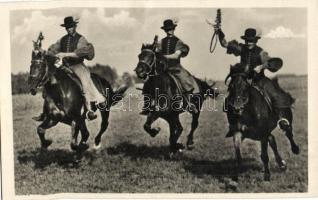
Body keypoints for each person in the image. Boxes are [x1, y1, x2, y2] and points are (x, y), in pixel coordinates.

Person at [216, 27, 295, 127]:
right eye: (246, 40)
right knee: (231, 95)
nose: (248, 43)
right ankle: (233, 122)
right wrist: (219, 32)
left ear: (255, 40)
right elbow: (225, 44)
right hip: (244, 80)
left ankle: (281, 118)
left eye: (251, 41)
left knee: (275, 94)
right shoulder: (242, 48)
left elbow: (273, 62)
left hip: (260, 80)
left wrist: (262, 66)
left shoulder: (261, 52)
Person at [33, 16, 106, 121]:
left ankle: (89, 110)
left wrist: (64, 54)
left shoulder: (81, 39)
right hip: (64, 65)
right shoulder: (62, 39)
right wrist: (41, 50)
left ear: (74, 26)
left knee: (84, 83)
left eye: (70, 27)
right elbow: (52, 51)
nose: (68, 29)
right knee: (49, 79)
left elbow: (80, 53)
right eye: (67, 27)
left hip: (78, 66)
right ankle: (46, 112)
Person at [140, 19, 200, 115]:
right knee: (149, 81)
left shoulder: (179, 42)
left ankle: (189, 103)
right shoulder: (160, 42)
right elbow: (155, 53)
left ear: (173, 29)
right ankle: (147, 105)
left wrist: (163, 56)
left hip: (175, 68)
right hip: (163, 68)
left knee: (186, 80)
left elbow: (176, 55)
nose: (169, 31)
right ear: (165, 30)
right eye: (167, 29)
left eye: (170, 29)